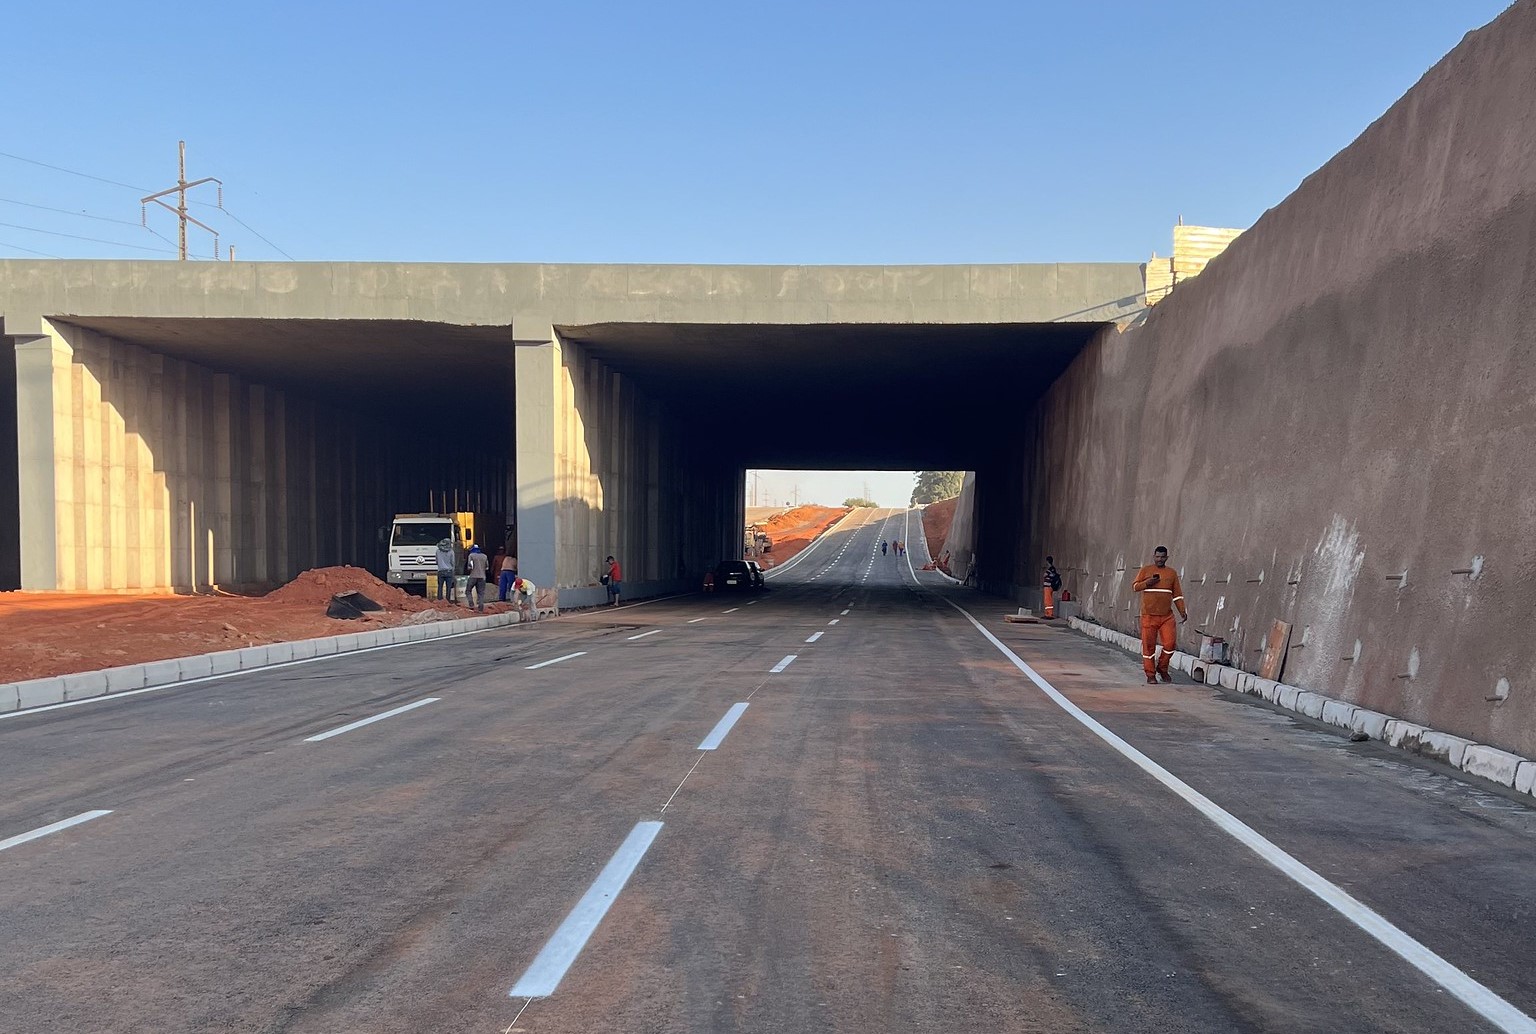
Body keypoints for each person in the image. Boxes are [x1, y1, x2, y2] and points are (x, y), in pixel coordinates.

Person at [1132, 545, 1188, 684]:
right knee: (1148, 646)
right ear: (1154, 557)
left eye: (1162, 557)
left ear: (1167, 558)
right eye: (1157, 557)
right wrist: (1147, 583)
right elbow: (1135, 586)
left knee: (1170, 644)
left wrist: (1182, 611)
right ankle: (1150, 674)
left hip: (1166, 616)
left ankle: (1162, 668)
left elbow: (1177, 595)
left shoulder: (1172, 573)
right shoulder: (1146, 570)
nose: (1160, 559)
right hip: (1148, 616)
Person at [465, 544, 490, 613]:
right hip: (482, 577)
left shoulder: (471, 555)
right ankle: (481, 608)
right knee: (481, 593)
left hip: (473, 576)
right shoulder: (485, 556)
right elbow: (487, 567)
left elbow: (469, 567)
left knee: (468, 591)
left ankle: (471, 604)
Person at [434, 536, 457, 603]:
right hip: (449, 571)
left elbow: (436, 561)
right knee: (448, 587)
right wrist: (453, 570)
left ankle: (439, 599)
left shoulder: (438, 551)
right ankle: (447, 600)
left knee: (440, 586)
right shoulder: (451, 552)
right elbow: (453, 562)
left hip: (440, 571)